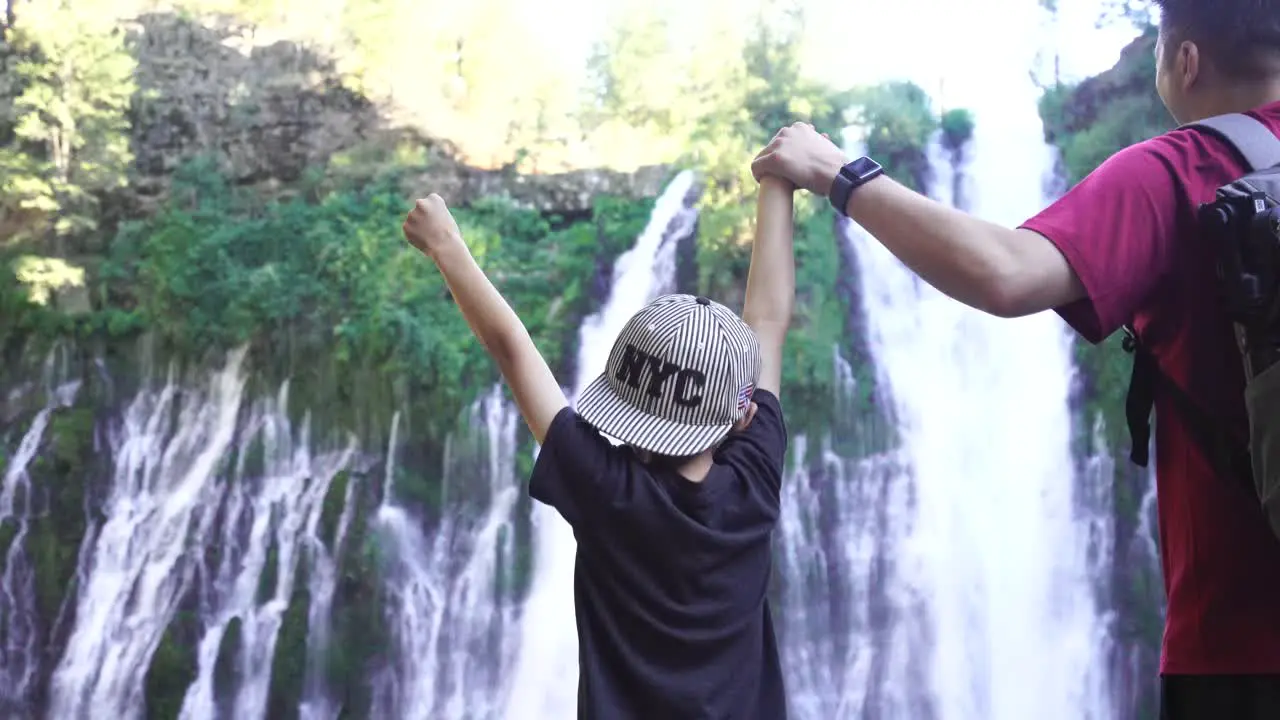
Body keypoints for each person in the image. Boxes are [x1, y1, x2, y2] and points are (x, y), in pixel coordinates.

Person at [750, 0, 1280, 717]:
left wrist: (837, 172)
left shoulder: (1179, 172)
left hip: (1238, 648)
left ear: (1185, 62)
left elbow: (1005, 272)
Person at [401, 175, 798, 718]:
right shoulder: (756, 477)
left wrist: (446, 245)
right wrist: (778, 183)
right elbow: (768, 321)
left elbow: (512, 348)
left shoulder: (604, 488)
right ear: (743, 413)